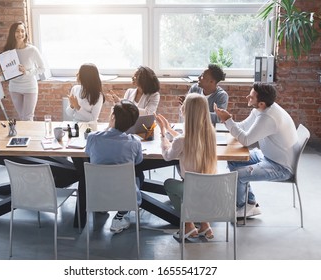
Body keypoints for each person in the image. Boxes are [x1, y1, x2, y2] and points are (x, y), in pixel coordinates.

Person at [214, 82, 299, 218]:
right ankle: (250, 203)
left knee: (238, 175)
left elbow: (246, 140)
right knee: (233, 159)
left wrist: (228, 121)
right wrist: (227, 121)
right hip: (268, 157)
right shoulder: (261, 109)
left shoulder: (268, 117)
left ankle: (242, 207)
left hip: (281, 167)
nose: (248, 97)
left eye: (252, 97)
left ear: (261, 103)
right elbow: (243, 127)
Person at [155, 93, 217, 240]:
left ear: (186, 112)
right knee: (193, 188)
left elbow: (167, 156)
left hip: (191, 189)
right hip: (210, 189)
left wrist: (163, 134)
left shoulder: (181, 140)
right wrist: (170, 129)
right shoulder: (210, 135)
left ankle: (188, 224)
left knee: (169, 184)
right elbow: (189, 140)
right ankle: (204, 224)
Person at [85, 100, 143, 233]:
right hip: (125, 196)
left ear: (112, 117)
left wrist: (108, 128)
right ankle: (121, 214)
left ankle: (102, 207)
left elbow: (88, 153)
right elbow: (138, 161)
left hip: (97, 194)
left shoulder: (93, 138)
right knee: (139, 175)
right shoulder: (135, 143)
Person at [0, 21, 45, 121]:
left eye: (22, 31)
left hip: (29, 87)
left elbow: (42, 68)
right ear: (13, 33)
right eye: (17, 31)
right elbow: (8, 73)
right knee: (21, 117)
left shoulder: (32, 50)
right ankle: (25, 136)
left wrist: (26, 72)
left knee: (28, 117)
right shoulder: (8, 51)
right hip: (14, 87)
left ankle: (29, 136)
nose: (20, 34)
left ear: (25, 33)